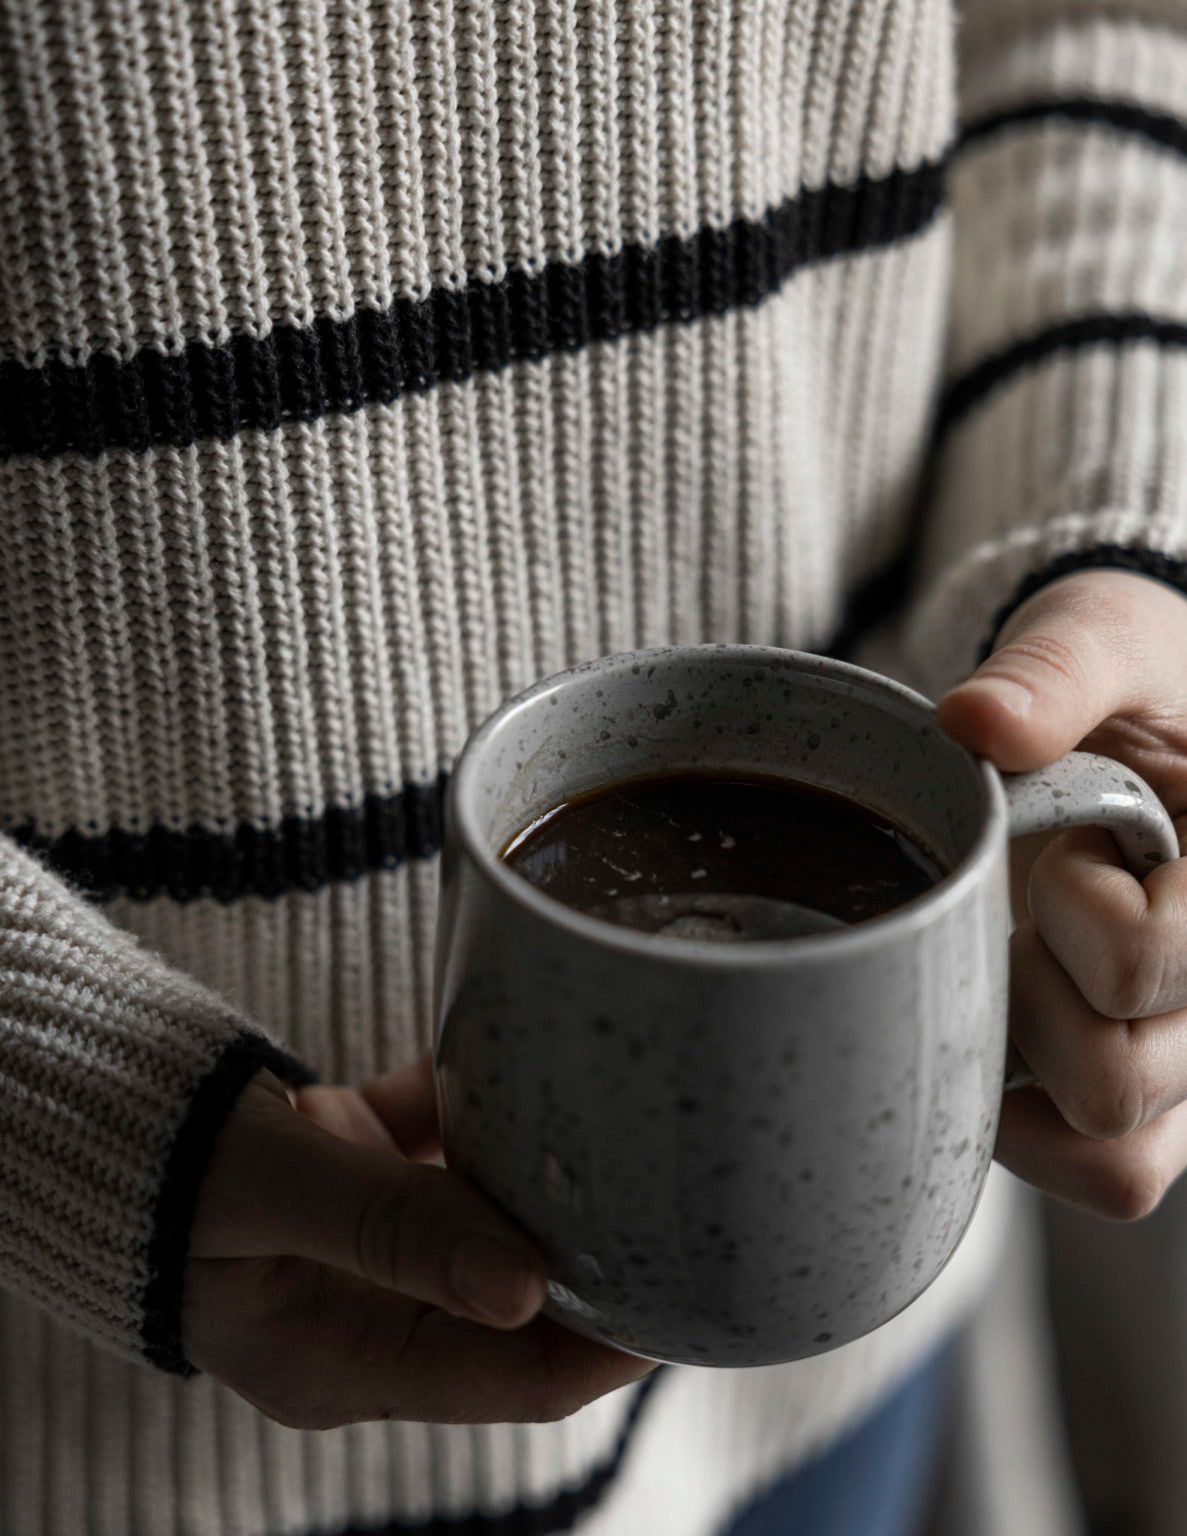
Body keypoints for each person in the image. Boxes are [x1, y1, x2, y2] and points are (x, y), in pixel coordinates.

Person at [2, 0, 1186, 1531]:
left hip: (832, 1386)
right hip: (111, 1406)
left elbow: (1085, 29)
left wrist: (1105, 547)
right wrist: (67, 1106)